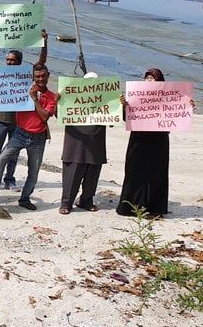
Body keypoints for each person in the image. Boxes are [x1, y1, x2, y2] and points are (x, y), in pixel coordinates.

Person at [116, 68, 195, 218]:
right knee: (134, 172)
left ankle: (153, 208)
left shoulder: (168, 95)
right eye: (147, 78)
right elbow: (127, 118)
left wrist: (188, 105)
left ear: (159, 81)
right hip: (138, 140)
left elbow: (178, 114)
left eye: (152, 78)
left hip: (158, 142)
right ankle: (129, 208)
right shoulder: (137, 95)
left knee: (156, 173)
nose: (149, 80)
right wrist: (124, 106)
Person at [0, 63, 57, 210]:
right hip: (20, 133)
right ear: (33, 77)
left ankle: (25, 199)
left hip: (38, 138)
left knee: (33, 171)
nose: (41, 79)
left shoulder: (52, 96)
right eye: (37, 76)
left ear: (48, 76)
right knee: (1, 159)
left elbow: (45, 116)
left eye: (43, 76)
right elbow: (0, 83)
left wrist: (35, 100)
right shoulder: (23, 89)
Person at [0, 29, 48, 192]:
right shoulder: (0, 73)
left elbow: (41, 63)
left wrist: (44, 43)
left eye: (12, 60)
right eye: (7, 60)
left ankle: (9, 179)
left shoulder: (25, 76)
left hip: (18, 122)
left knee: (13, 155)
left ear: (19, 62)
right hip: (1, 120)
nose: (9, 63)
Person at [58, 72, 106, 215]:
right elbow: (57, 114)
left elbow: (115, 118)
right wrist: (58, 101)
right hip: (75, 143)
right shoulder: (71, 99)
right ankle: (66, 202)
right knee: (72, 174)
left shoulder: (104, 100)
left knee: (92, 175)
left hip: (96, 143)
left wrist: (121, 104)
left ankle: (86, 201)